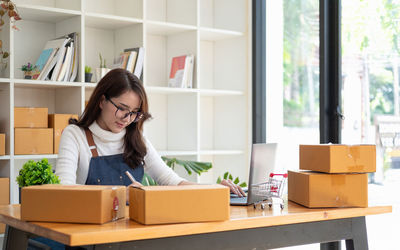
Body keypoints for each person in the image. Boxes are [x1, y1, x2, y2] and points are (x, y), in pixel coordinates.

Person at [55, 68, 246, 197]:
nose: (127, 119)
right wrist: (120, 194)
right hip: (89, 233)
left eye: (134, 113)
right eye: (122, 109)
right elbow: (64, 190)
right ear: (102, 100)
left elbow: (172, 181)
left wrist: (216, 189)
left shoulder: (136, 139)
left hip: (133, 231)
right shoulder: (75, 135)